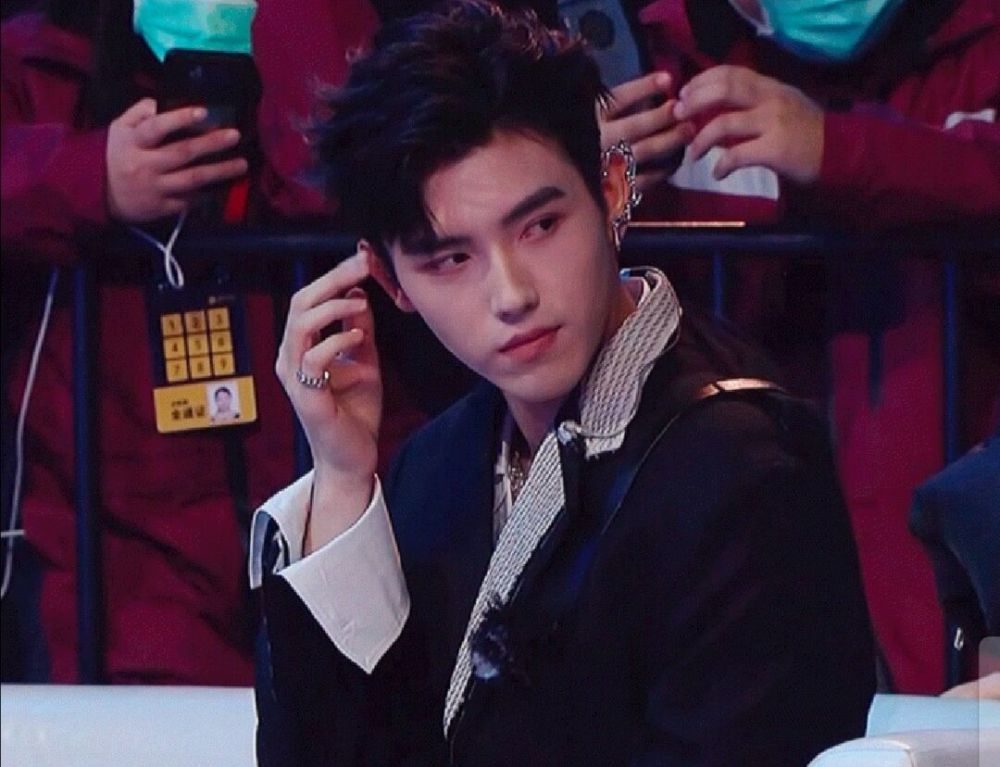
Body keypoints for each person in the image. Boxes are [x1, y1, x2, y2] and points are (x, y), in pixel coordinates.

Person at [251, 3, 875, 764]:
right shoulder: (434, 467)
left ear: (611, 189)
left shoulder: (748, 468)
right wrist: (343, 479)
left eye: (540, 226)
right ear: (390, 281)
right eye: (451, 260)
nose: (511, 294)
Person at [594, 0, 1000, 693]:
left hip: (946, 611)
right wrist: (574, 190)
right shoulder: (634, 64)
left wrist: (839, 152)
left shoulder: (983, 46)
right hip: (729, 593)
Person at [0, 0, 376, 683]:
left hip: (319, 483)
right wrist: (91, 176)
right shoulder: (38, 50)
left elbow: (336, 177)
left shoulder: (329, 23)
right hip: (114, 526)